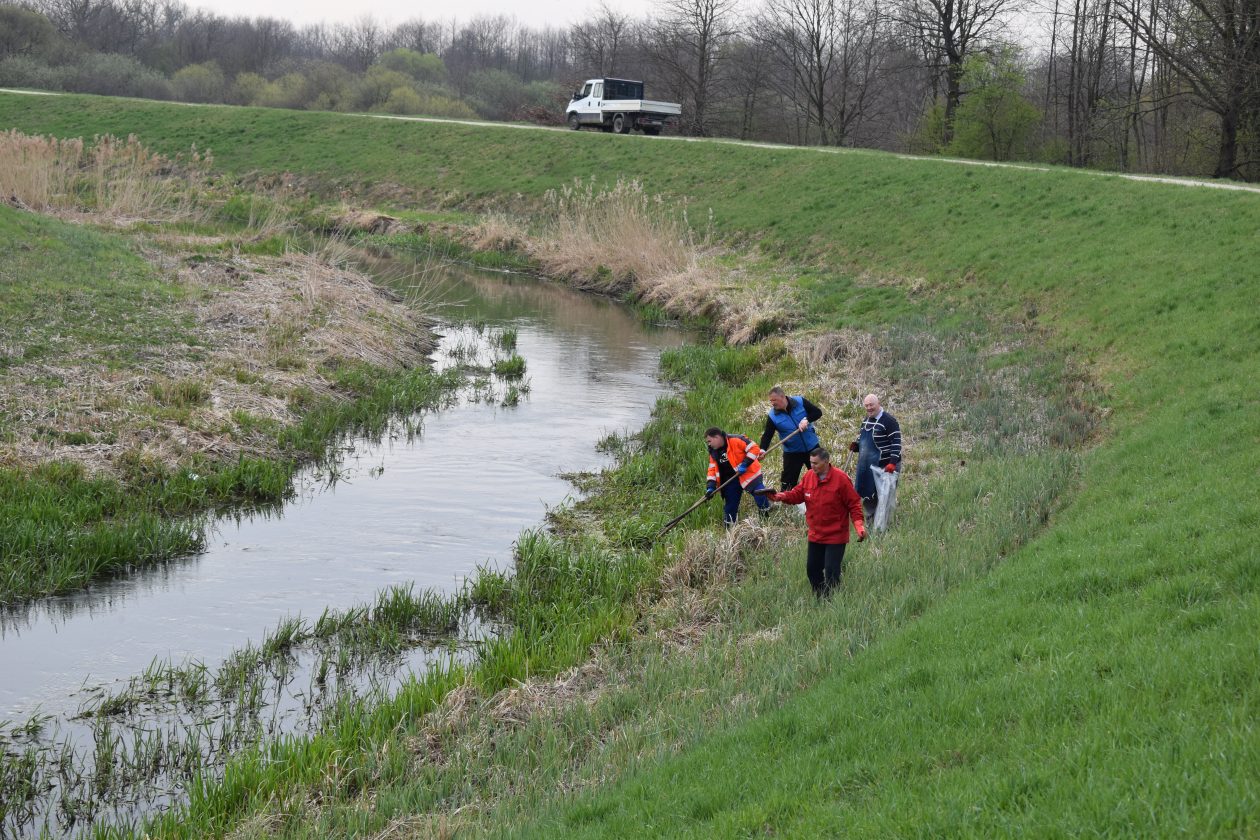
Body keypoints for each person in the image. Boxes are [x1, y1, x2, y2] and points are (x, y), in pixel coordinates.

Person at [756, 447, 865, 598]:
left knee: (832, 572)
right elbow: (797, 495)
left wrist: (858, 525)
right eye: (810, 463)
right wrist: (780, 496)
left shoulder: (841, 479)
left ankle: (833, 601)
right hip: (816, 534)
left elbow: (854, 504)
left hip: (836, 534)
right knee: (812, 570)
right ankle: (820, 598)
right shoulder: (808, 476)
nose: (812, 466)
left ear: (826, 462)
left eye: (816, 463)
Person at [849, 393, 902, 522]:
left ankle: (884, 525)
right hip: (869, 467)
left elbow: (896, 442)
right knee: (869, 494)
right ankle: (870, 522)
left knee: (884, 496)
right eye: (866, 406)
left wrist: (893, 463)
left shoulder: (889, 421)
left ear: (878, 404)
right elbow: (864, 441)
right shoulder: (866, 420)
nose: (869, 408)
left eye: (871, 405)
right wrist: (856, 446)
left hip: (886, 466)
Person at [758, 386, 823, 491]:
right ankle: (788, 503)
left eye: (774, 400)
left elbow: (817, 412)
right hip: (792, 452)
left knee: (821, 476)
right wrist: (762, 449)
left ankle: (823, 497)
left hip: (812, 448)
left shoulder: (800, 401)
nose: (772, 403)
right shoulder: (773, 416)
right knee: (787, 485)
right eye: (770, 401)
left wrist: (806, 419)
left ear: (783, 396)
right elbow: (767, 435)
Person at [704, 427, 772, 526]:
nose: (709, 444)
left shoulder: (736, 439)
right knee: (730, 508)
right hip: (730, 481)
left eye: (709, 441)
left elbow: (754, 448)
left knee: (761, 496)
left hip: (749, 474)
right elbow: (712, 470)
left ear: (717, 437)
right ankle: (730, 531)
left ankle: (766, 523)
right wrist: (710, 487)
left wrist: (745, 464)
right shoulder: (713, 452)